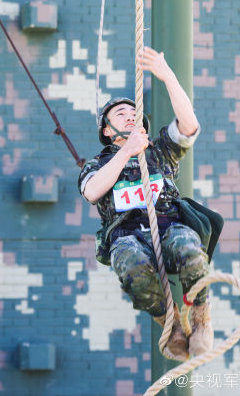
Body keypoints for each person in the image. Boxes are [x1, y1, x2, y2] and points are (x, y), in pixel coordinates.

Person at [78, 47, 214, 360]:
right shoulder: (97, 164)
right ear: (107, 130)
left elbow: (189, 125)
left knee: (192, 251)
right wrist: (127, 152)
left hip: (168, 227)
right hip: (128, 237)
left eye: (132, 112)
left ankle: (201, 316)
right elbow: (92, 191)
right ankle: (169, 321)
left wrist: (167, 76)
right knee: (131, 269)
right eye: (119, 115)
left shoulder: (159, 153)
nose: (128, 115)